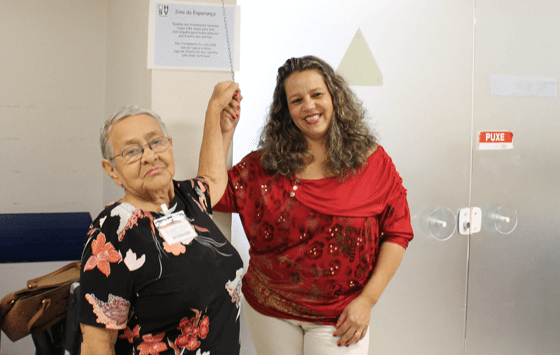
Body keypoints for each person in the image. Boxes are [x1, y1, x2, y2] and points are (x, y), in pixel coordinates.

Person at [211, 55, 414, 355]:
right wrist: (221, 129)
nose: (309, 106)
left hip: (342, 316)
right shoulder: (265, 165)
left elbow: (398, 233)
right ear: (286, 112)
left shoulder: (373, 162)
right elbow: (212, 193)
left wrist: (368, 301)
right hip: (270, 309)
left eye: (317, 94)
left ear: (335, 98)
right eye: (296, 100)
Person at [78, 82, 245, 355]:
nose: (150, 156)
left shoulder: (188, 198)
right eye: (132, 151)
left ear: (169, 146)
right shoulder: (112, 232)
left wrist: (216, 114)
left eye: (156, 142)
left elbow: (214, 178)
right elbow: (97, 343)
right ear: (112, 170)